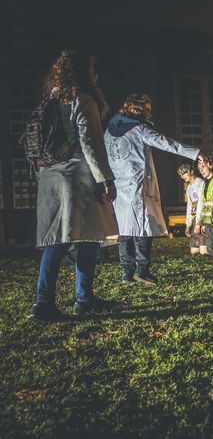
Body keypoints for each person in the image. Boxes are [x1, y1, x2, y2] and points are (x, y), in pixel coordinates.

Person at [30, 50, 119, 321]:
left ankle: (52, 300)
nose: (96, 73)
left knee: (58, 239)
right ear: (82, 72)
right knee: (85, 237)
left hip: (49, 175)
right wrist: (106, 179)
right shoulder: (83, 100)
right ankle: (72, 299)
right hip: (77, 176)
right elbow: (90, 144)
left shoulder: (50, 99)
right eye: (92, 68)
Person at [105, 94, 201, 284]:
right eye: (147, 109)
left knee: (125, 230)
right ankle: (141, 269)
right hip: (138, 186)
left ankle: (126, 272)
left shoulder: (108, 131)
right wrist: (195, 153)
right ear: (139, 110)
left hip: (118, 187)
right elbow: (168, 144)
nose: (150, 113)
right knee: (143, 228)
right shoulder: (139, 130)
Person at [177, 162, 204, 255]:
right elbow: (189, 206)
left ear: (191, 171)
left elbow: (201, 203)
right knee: (194, 251)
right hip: (193, 220)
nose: (182, 176)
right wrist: (188, 224)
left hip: (201, 220)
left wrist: (198, 223)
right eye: (181, 174)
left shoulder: (201, 183)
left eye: (184, 173)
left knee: (203, 251)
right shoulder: (189, 188)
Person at [197, 155, 213, 256]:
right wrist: (202, 222)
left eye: (203, 167)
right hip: (207, 221)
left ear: (210, 166)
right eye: (199, 169)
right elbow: (205, 204)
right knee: (210, 250)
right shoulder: (205, 183)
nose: (201, 170)